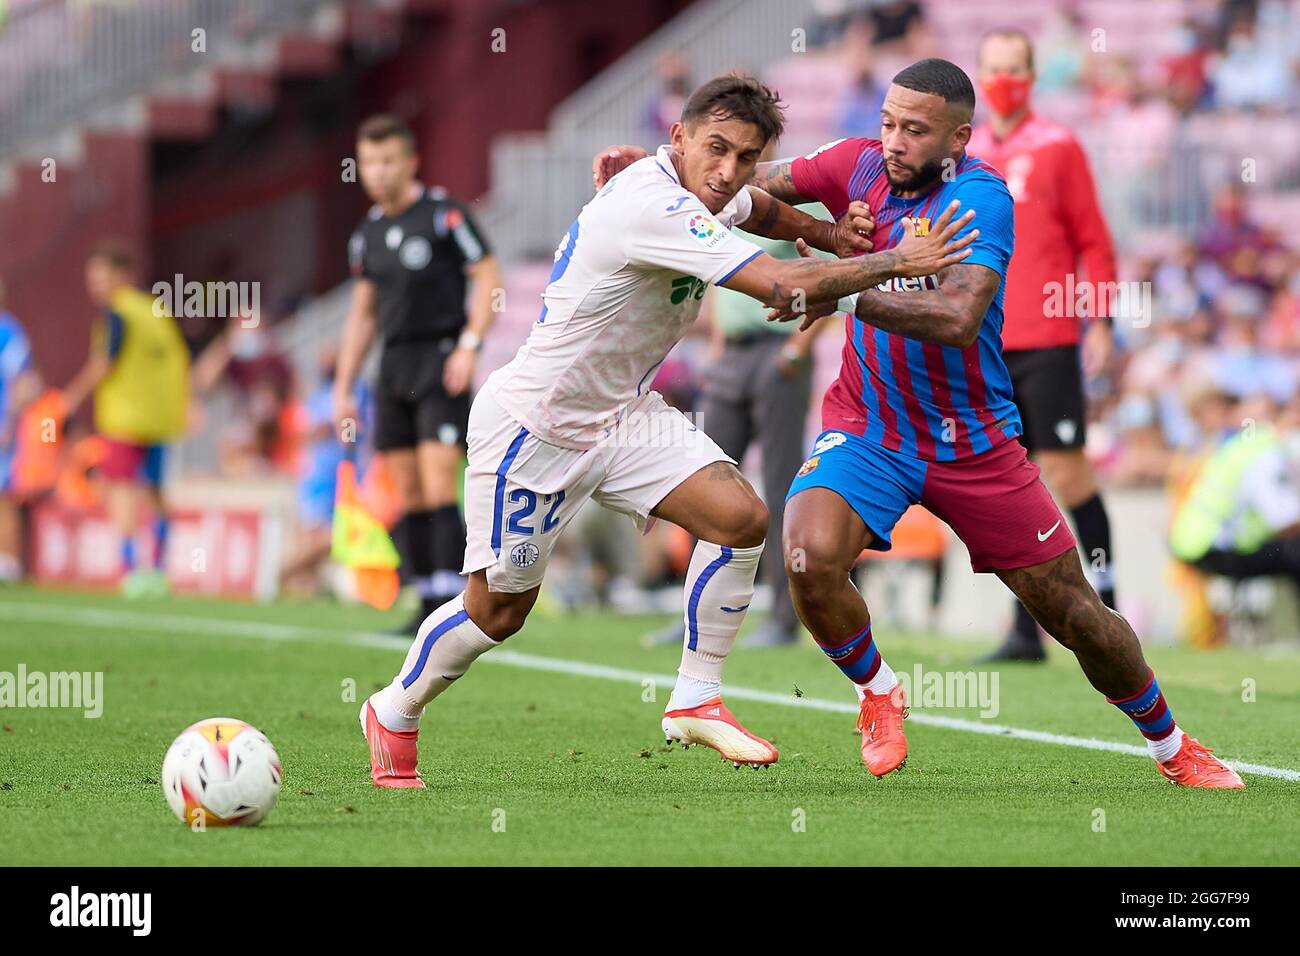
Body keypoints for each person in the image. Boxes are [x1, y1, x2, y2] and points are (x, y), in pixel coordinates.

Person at [600, 59, 1244, 788]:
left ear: (957, 137)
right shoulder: (855, 164)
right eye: (887, 123)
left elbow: (959, 317)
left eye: (915, 130)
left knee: (1075, 614)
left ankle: (1170, 742)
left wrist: (838, 292)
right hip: (869, 427)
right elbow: (741, 182)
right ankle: (878, 692)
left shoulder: (980, 198)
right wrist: (658, 174)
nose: (895, 141)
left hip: (973, 442)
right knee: (807, 555)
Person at [360, 73, 975, 788]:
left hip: (623, 416)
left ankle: (695, 696)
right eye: (716, 149)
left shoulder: (702, 184)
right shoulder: (650, 205)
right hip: (537, 428)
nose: (728, 172)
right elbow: (779, 288)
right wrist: (895, 260)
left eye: (746, 156)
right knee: (497, 611)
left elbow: (763, 209)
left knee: (741, 517)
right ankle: (393, 708)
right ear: (677, 137)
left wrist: (824, 231)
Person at [966, 28, 1121, 662]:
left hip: (1051, 338)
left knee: (1065, 470)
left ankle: (1107, 598)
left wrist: (1102, 321)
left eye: (1015, 68)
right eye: (994, 67)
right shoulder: (967, 153)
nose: (1005, 78)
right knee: (1011, 482)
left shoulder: (1059, 146)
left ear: (1032, 75)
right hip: (984, 341)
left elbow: (1094, 240)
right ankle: (1025, 628)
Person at [334, 115, 503, 635]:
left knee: (437, 482)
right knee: (407, 490)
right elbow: (363, 313)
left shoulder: (444, 216)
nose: (378, 172)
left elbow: (488, 277)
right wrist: (343, 386)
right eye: (369, 162)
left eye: (387, 160)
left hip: (441, 358)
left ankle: (456, 603)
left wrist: (470, 345)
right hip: (394, 366)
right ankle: (427, 600)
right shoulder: (367, 235)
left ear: (409, 162)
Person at [63, 242, 190, 598]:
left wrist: (69, 399)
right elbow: (176, 361)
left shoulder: (117, 313)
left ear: (123, 276)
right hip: (160, 418)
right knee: (155, 489)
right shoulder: (156, 310)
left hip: (124, 418)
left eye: (102, 278)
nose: (96, 287)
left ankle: (131, 569)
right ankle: (161, 569)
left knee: (120, 488)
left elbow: (105, 362)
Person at [0, 280, 37, 583]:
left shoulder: (9, 332)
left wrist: (9, 421)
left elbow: (23, 381)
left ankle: (9, 563)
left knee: (4, 495)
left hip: (3, 428)